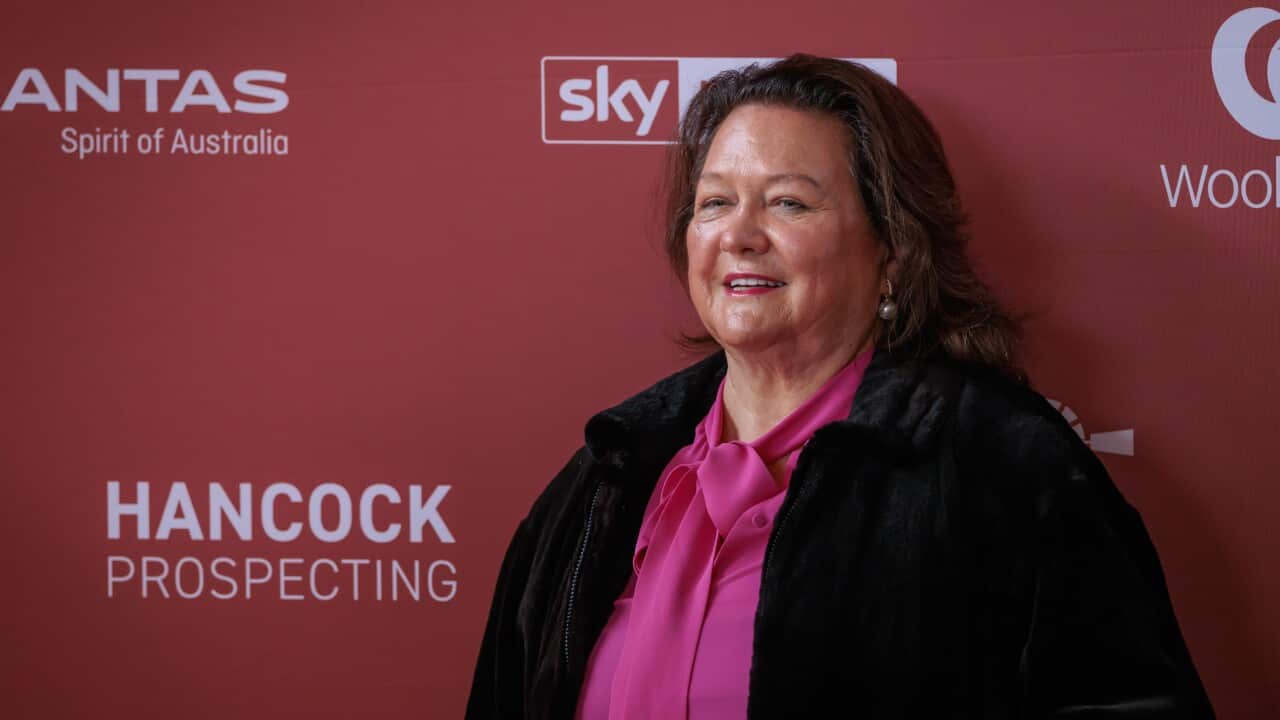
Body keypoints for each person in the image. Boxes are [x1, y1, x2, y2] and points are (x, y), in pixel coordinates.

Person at [466, 54, 1214, 719]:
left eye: (788, 202)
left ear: (892, 250)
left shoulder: (1000, 465)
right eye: (715, 201)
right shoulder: (607, 473)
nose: (740, 234)